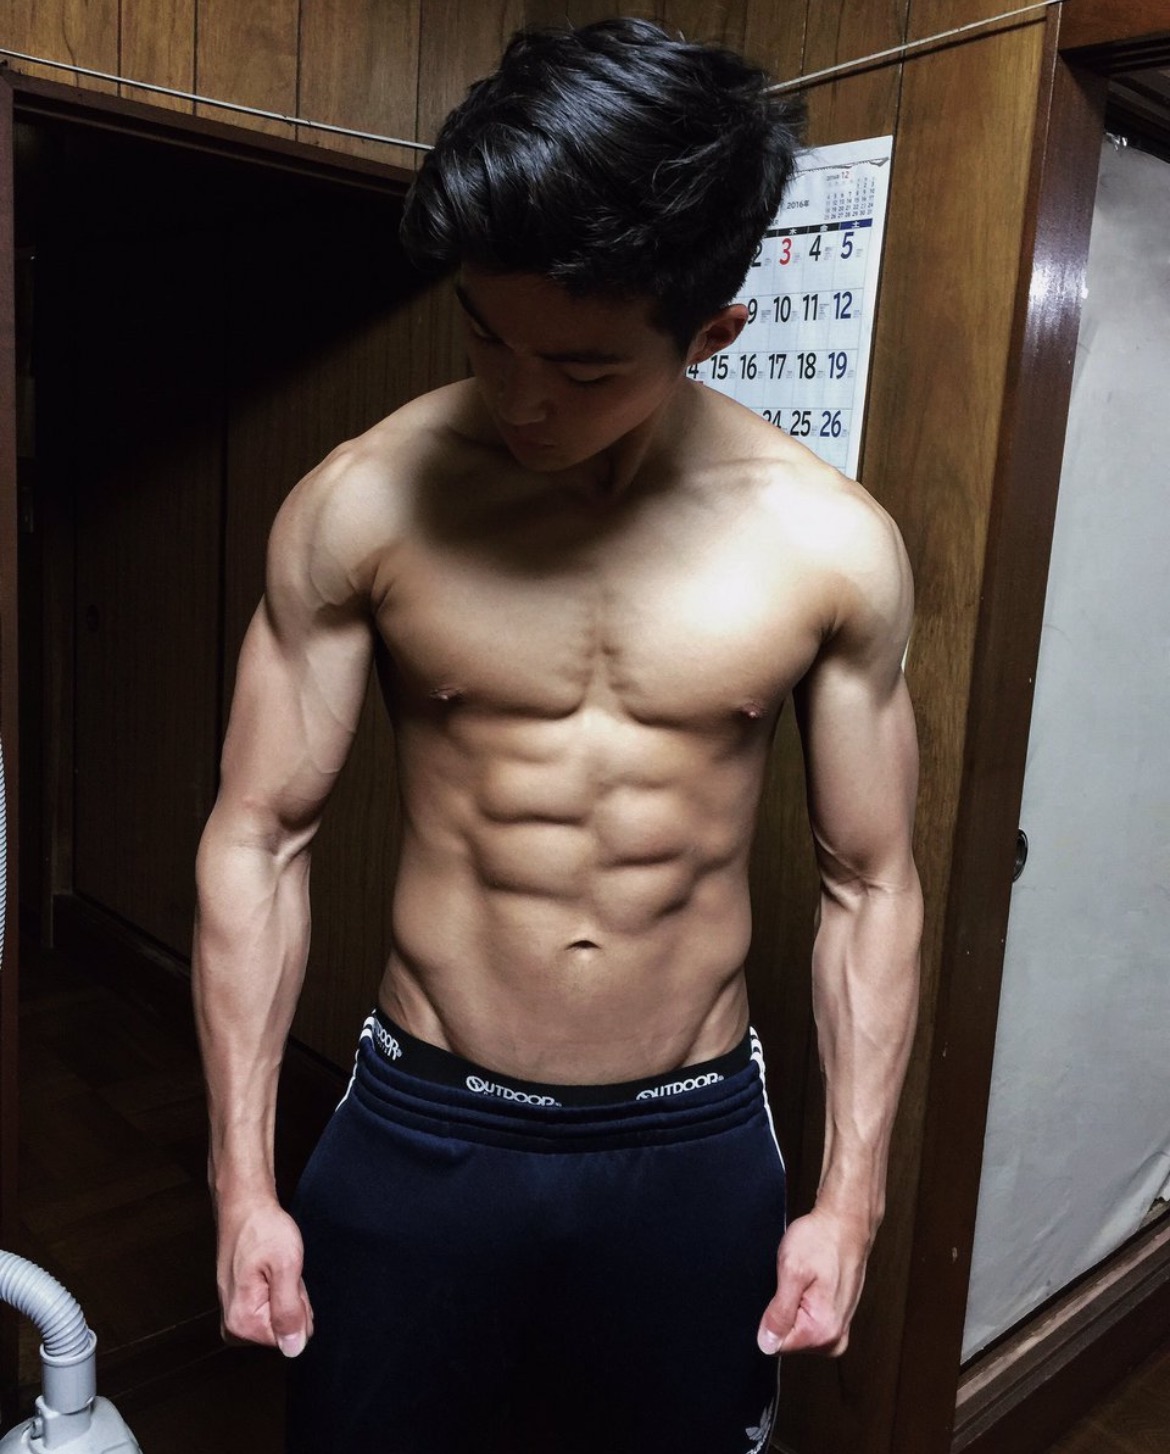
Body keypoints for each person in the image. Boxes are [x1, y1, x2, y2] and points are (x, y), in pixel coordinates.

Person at [192, 18, 922, 1454]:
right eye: (485, 332)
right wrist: (241, 1181)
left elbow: (872, 880)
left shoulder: (827, 547)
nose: (521, 399)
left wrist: (850, 1199)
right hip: (422, 1121)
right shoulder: (363, 503)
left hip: (691, 1139)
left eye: (585, 372)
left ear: (711, 334)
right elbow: (258, 835)